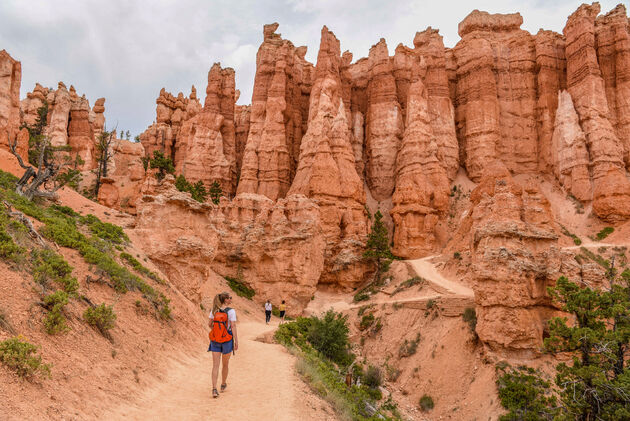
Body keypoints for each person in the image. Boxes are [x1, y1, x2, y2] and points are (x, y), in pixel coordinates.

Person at [208, 292, 238, 399]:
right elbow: (233, 326)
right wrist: (236, 341)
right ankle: (223, 384)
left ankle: (214, 389)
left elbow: (209, 324)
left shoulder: (214, 310)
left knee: (215, 365)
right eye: (230, 298)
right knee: (225, 364)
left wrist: (217, 331)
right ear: (225, 300)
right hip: (227, 340)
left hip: (215, 340)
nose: (231, 299)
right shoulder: (231, 311)